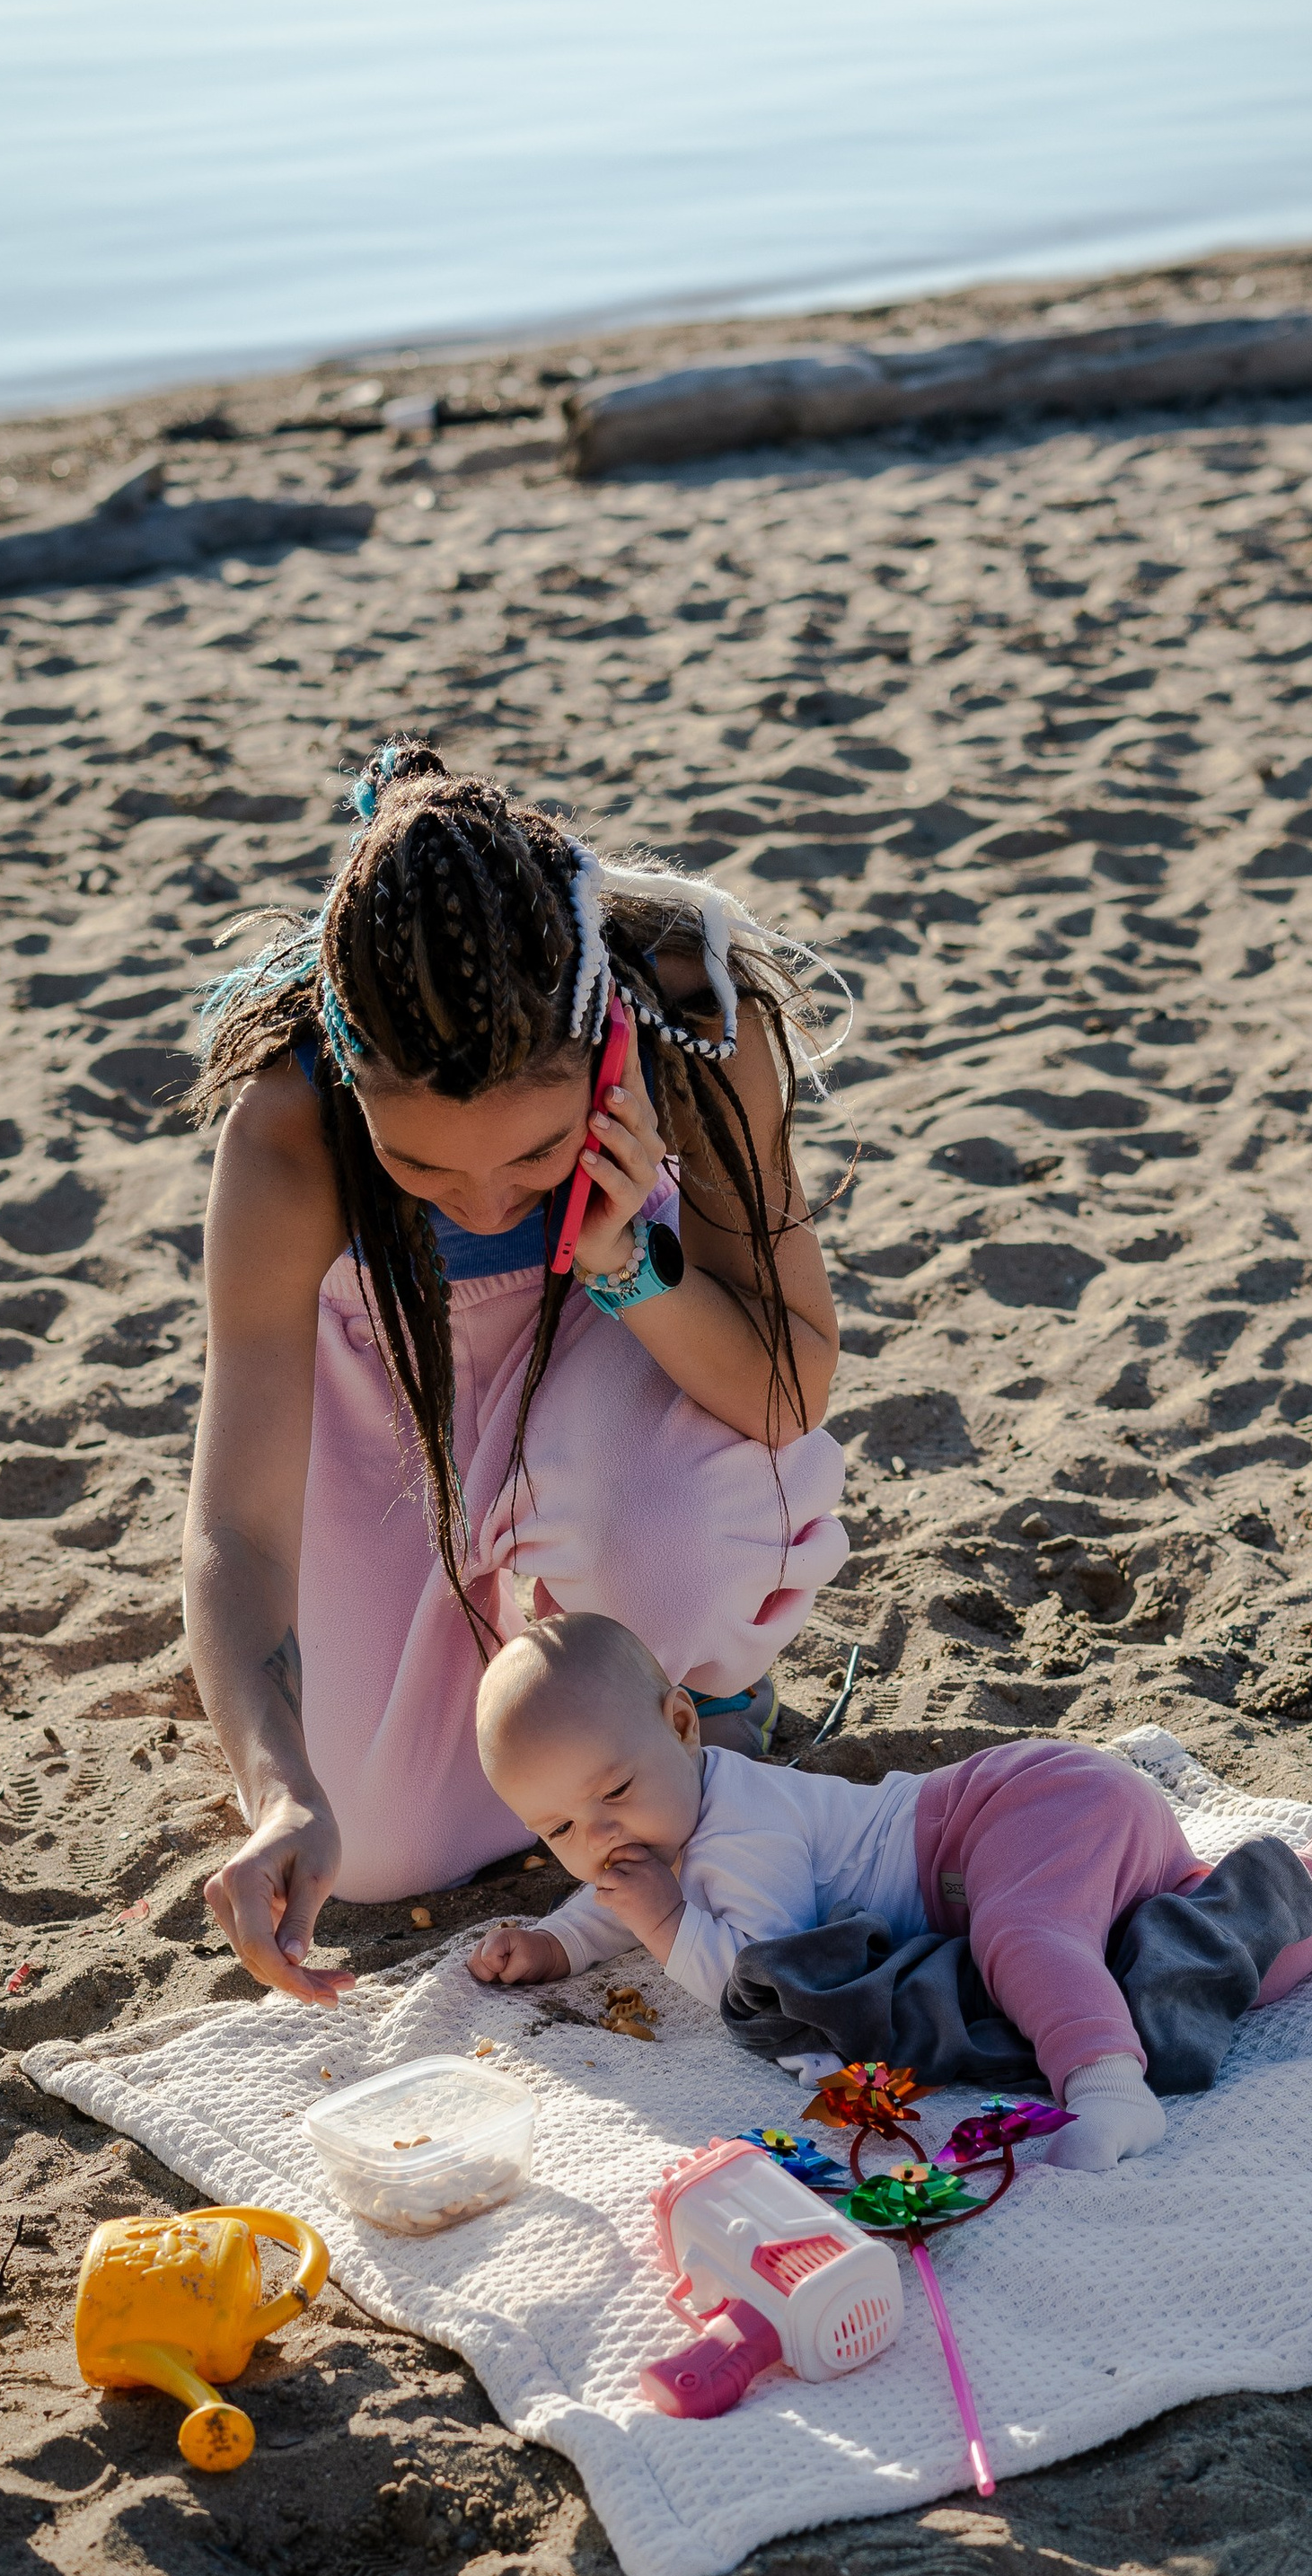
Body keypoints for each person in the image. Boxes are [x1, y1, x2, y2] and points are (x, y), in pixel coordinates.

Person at [185, 743, 849, 2001]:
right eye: (423, 1169)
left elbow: (789, 1391)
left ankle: (713, 1694)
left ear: (599, 1038)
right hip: (393, 1418)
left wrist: (627, 1269)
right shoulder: (287, 1128)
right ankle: (487, 1636)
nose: (488, 1195)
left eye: (535, 1151)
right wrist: (278, 1793)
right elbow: (236, 1521)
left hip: (611, 1389)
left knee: (675, 1552)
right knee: (371, 1848)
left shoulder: (693, 1032)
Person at [468, 1614, 1312, 2169]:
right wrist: (563, 1944)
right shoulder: (663, 1826)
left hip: (1014, 1814)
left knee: (1024, 1940)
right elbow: (628, 1884)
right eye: (559, 1829)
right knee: (1194, 1969)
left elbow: (759, 1979)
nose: (600, 1837)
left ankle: (1105, 2088)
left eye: (613, 1793)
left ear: (684, 1726)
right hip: (1076, 1831)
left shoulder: (740, 1832)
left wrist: (655, 1921)